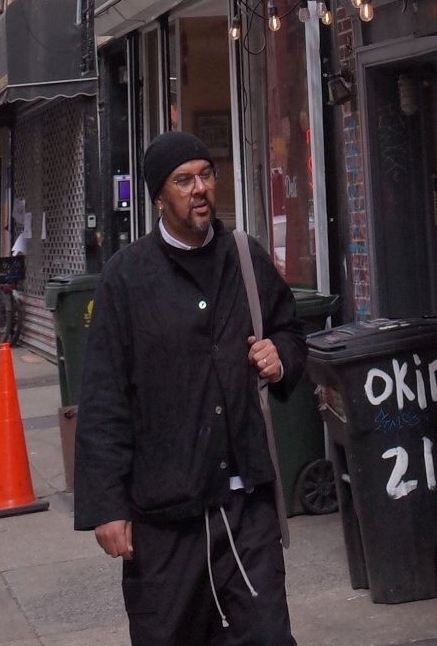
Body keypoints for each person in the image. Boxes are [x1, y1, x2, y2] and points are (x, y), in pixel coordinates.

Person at [74, 130, 307, 646]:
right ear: (159, 197)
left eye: (206, 175)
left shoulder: (244, 257)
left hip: (245, 509)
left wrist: (280, 359)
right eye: (183, 180)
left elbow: (290, 330)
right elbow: (104, 399)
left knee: (268, 637)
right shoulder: (126, 278)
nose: (200, 188)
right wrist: (106, 506)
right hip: (165, 517)